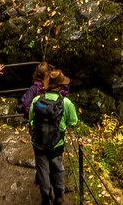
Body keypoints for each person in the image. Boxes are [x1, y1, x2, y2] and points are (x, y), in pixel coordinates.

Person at [27, 69, 80, 205]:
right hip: (56, 142)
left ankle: (46, 197)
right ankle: (59, 196)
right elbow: (73, 122)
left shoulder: (37, 100)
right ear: (61, 86)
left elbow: (31, 119)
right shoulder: (66, 103)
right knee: (57, 168)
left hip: (38, 141)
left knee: (42, 170)